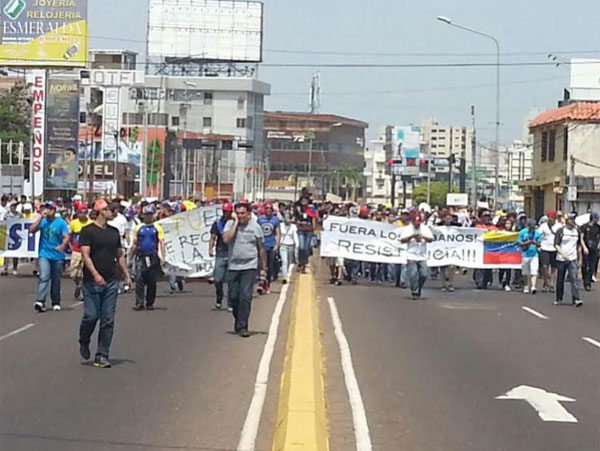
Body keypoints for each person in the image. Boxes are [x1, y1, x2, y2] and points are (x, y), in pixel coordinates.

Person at [79, 199, 132, 368]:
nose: (114, 213)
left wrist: (127, 275)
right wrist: (95, 274)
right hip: (91, 282)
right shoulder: (87, 231)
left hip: (111, 280)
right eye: (110, 209)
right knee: (91, 316)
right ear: (102, 211)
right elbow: (85, 255)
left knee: (108, 319)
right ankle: (84, 339)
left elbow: (119, 255)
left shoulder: (114, 232)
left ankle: (102, 354)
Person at [222, 202, 267, 338]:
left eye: (243, 213)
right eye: (238, 213)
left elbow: (261, 248)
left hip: (249, 266)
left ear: (249, 214)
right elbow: (226, 239)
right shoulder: (230, 225)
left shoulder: (255, 227)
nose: (240, 216)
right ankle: (238, 320)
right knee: (233, 297)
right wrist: (235, 223)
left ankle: (243, 326)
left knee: (245, 297)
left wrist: (264, 267)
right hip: (233, 266)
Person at [29, 201, 70, 312]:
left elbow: (66, 236)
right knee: (44, 276)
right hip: (44, 254)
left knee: (56, 279)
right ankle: (40, 301)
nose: (48, 210)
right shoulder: (43, 221)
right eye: (46, 208)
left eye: (50, 208)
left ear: (55, 210)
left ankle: (56, 301)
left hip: (57, 255)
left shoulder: (60, 222)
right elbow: (31, 230)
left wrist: (62, 246)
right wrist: (40, 217)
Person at [131, 205, 166, 311]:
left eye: (150, 214)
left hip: (152, 256)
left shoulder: (157, 228)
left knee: (151, 280)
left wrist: (163, 256)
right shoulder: (138, 228)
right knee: (139, 279)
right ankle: (139, 302)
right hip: (141, 255)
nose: (148, 217)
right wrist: (130, 257)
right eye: (146, 215)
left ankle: (150, 302)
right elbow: (135, 243)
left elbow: (162, 242)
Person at [400, 212, 434, 300]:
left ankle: (419, 287)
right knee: (413, 274)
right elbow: (402, 240)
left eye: (418, 223)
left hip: (422, 255)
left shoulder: (425, 228)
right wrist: (411, 236)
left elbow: (431, 239)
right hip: (411, 255)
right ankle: (414, 291)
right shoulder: (407, 229)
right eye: (415, 223)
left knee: (424, 274)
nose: (417, 225)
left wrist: (423, 237)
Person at [554, 213, 582, 307]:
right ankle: (559, 298)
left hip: (572, 258)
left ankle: (576, 299)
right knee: (560, 279)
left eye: (574, 219)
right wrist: (563, 254)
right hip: (561, 258)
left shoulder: (577, 231)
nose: (573, 221)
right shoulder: (561, 231)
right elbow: (556, 245)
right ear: (567, 221)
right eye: (571, 219)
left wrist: (580, 258)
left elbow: (578, 245)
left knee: (574, 278)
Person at [209, 202, 233, 310]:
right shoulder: (218, 223)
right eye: (224, 211)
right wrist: (210, 248)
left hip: (232, 253)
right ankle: (219, 297)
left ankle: (230, 303)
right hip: (220, 253)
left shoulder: (234, 223)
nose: (226, 213)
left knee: (231, 281)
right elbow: (213, 236)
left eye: (228, 211)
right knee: (218, 279)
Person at [69, 203, 93, 300]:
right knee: (74, 273)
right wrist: (70, 247)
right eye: (80, 212)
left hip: (87, 251)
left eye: (84, 212)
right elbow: (70, 236)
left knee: (85, 272)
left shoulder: (91, 223)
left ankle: (83, 290)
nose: (82, 215)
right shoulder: (73, 223)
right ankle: (78, 285)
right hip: (76, 251)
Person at [257, 202, 281, 293]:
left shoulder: (275, 220)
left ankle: (267, 284)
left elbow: (278, 233)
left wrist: (277, 244)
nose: (268, 210)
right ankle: (261, 283)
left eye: (270, 208)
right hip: (261, 245)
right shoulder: (260, 219)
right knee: (261, 265)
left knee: (270, 266)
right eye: (267, 208)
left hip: (271, 245)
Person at [538, 210, 562, 292]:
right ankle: (545, 282)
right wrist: (538, 244)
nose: (550, 219)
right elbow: (538, 235)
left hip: (554, 248)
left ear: (555, 218)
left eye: (551, 217)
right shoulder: (543, 226)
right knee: (544, 266)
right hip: (544, 248)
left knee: (554, 267)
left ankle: (552, 284)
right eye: (549, 217)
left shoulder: (559, 226)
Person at [293, 195, 317, 274]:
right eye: (302, 200)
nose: (304, 202)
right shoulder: (298, 209)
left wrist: (314, 227)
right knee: (301, 247)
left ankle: (304, 264)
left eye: (305, 200)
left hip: (309, 230)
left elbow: (314, 217)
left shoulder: (311, 209)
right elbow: (295, 218)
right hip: (301, 230)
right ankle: (300, 262)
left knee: (306, 248)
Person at [518, 219, 542, 294]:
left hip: (534, 254)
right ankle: (526, 286)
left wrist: (535, 243)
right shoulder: (522, 232)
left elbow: (539, 243)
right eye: (531, 227)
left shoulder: (537, 233)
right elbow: (519, 242)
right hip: (525, 254)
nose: (532, 229)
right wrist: (527, 242)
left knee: (534, 271)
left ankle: (533, 286)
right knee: (525, 272)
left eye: (533, 227)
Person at [1, 200, 23, 275]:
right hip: (7, 235)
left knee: (15, 253)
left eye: (15, 205)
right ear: (10, 206)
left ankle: (15, 268)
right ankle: (5, 268)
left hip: (16, 236)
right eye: (13, 205)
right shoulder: (6, 215)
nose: (14, 207)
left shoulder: (19, 215)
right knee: (6, 253)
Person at [580, 212, 599, 291]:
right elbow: (581, 238)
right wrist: (584, 247)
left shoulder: (598, 227)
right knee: (585, 265)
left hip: (594, 248)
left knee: (592, 266)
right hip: (586, 248)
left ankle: (588, 283)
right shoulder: (584, 226)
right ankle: (585, 279)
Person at [279, 213, 298, 284]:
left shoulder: (293, 227)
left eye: (289, 218)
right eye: (286, 218)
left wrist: (297, 245)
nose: (287, 219)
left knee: (289, 261)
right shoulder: (280, 225)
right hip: (282, 245)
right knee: (284, 261)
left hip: (291, 245)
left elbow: (295, 236)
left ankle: (286, 273)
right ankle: (285, 277)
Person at [498, 218, 514, 291]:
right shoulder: (502, 232)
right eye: (507, 223)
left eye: (509, 224)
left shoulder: (513, 233)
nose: (508, 225)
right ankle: (500, 281)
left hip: (510, 253)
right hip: (502, 253)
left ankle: (507, 284)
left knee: (508, 269)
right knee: (502, 268)